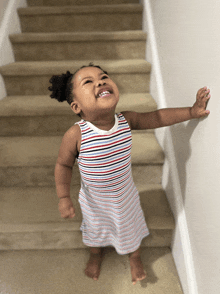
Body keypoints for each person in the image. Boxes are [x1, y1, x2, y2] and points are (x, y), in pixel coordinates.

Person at [48, 63, 210, 285]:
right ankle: (96, 254)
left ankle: (135, 259)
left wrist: (191, 112)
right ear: (77, 106)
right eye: (88, 82)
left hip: (125, 196)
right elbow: (63, 165)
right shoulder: (76, 134)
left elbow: (159, 118)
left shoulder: (126, 120)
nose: (100, 81)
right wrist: (63, 197)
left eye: (103, 76)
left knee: (130, 230)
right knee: (95, 231)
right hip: (94, 201)